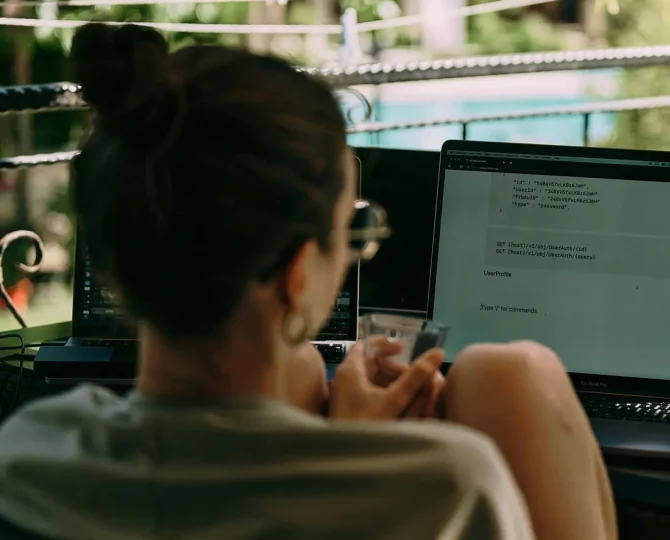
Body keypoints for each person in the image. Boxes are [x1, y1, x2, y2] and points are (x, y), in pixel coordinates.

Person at [0, 23, 616, 540]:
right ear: (297, 273)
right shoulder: (444, 489)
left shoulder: (28, 457)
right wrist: (356, 460)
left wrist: (332, 443)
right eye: (353, 231)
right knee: (510, 372)